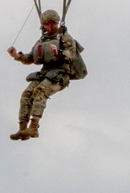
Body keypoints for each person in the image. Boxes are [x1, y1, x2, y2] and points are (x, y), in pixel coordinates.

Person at [6, 9, 77, 140]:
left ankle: (34, 127)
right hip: (45, 73)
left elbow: (70, 55)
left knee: (40, 91)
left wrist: (58, 53)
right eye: (45, 25)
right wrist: (16, 56)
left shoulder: (65, 38)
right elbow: (30, 58)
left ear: (55, 24)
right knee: (26, 94)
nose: (48, 27)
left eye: (50, 24)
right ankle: (23, 129)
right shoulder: (42, 39)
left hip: (60, 75)